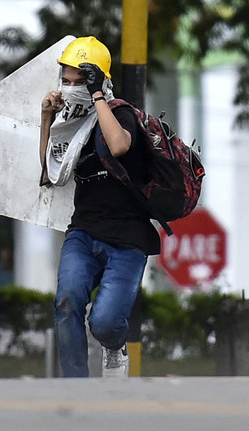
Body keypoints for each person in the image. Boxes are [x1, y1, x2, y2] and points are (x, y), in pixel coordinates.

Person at [40, 36, 159, 378]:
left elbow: (119, 145)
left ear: (100, 81)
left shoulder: (121, 113)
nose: (72, 87)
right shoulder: (69, 119)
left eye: (82, 80)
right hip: (85, 230)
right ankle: (75, 383)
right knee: (66, 303)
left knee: (105, 322)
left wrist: (97, 97)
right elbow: (50, 172)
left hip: (127, 238)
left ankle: (114, 346)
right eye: (67, 80)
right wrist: (48, 118)